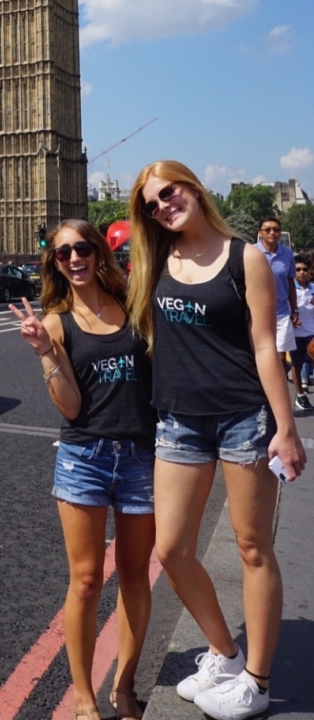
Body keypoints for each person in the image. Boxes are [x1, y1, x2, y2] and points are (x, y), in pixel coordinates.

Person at [127, 161, 307, 720]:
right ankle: (226, 655)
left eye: (169, 193)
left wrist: (286, 427)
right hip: (178, 421)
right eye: (152, 204)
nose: (163, 207)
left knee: (253, 549)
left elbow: (263, 348)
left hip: (241, 419)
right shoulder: (154, 261)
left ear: (193, 188)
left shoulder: (244, 257)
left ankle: (256, 680)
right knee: (172, 549)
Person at [9, 219, 156, 720]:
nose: (74, 258)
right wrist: (46, 352)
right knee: (87, 581)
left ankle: (124, 685)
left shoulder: (135, 307)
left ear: (98, 253)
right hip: (84, 461)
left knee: (136, 577)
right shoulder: (55, 323)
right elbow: (70, 407)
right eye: (63, 252)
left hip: (141, 457)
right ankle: (82, 696)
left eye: (82, 248)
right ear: (54, 262)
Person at [253, 216, 312, 408]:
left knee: (279, 359)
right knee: (259, 355)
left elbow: (290, 284)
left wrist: (294, 309)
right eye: (268, 229)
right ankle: (260, 397)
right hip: (255, 313)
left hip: (281, 313)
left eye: (276, 229)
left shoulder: (287, 253)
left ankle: (277, 401)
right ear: (260, 232)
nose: (272, 233)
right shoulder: (251, 252)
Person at [291, 254, 314, 398]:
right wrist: (291, 318)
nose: (301, 273)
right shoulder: (290, 290)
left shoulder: (313, 288)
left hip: (311, 333)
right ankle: (300, 395)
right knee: (297, 365)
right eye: (298, 269)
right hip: (295, 334)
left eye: (304, 269)